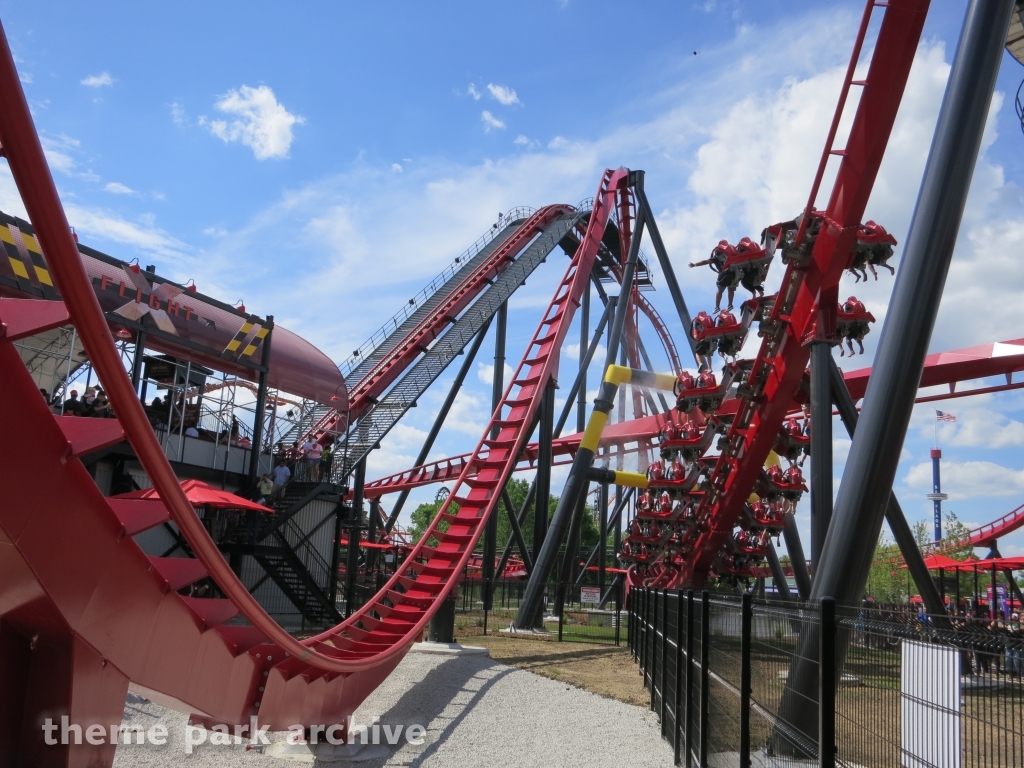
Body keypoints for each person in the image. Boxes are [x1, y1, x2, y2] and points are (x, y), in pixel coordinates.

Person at [690, 241, 737, 313]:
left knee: (723, 289)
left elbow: (706, 262)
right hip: (730, 274)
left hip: (729, 274)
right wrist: (695, 264)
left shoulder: (722, 256)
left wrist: (695, 265)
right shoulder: (717, 257)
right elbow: (706, 262)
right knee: (729, 288)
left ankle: (721, 306)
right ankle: (725, 305)